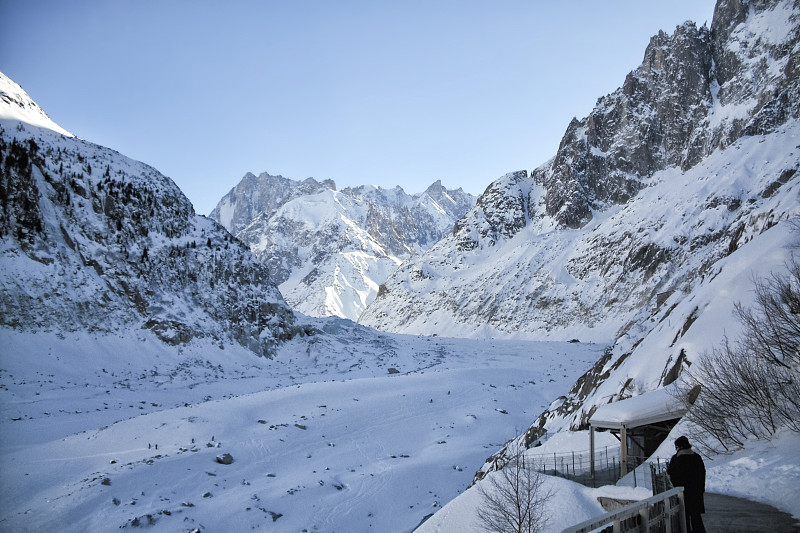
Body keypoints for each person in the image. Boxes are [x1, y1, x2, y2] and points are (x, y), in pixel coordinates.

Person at [667, 435, 706, 533]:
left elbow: (670, 473)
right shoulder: (697, 457)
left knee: (684, 519)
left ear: (679, 447)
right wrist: (701, 488)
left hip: (682, 494)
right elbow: (702, 473)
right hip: (696, 493)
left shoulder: (676, 459)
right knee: (696, 517)